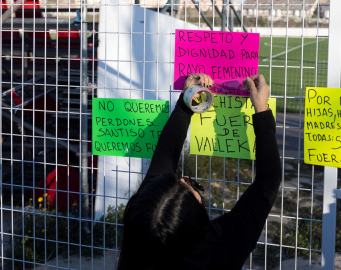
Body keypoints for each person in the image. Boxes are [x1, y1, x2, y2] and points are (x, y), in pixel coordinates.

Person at [117, 73, 282, 269]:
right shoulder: (222, 246)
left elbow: (165, 155)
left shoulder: (140, 234)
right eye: (191, 186)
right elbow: (269, 179)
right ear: (195, 217)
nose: (186, 179)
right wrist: (261, 109)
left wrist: (187, 100)